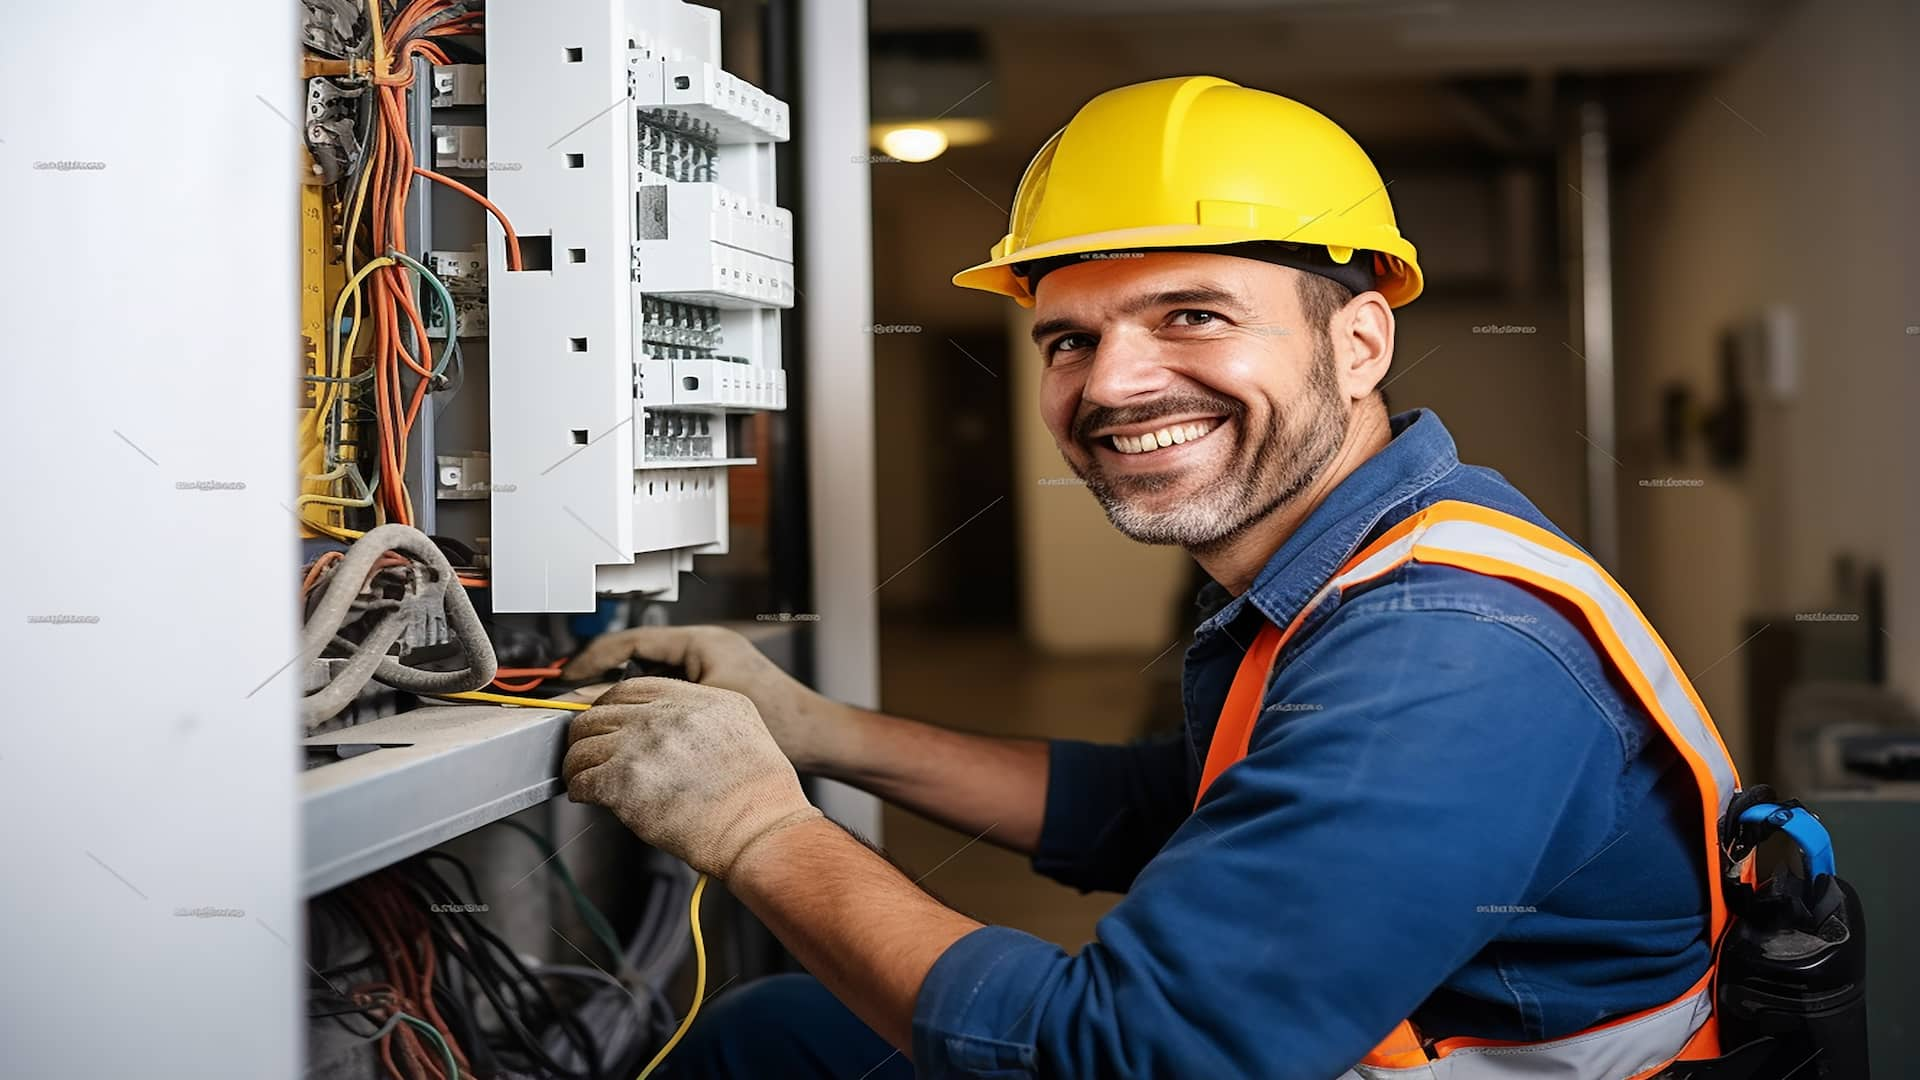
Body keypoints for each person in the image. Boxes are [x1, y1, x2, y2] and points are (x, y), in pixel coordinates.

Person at [559, 76, 1743, 1078]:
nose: (1113, 385)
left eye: (1190, 314)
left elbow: (1135, 1052)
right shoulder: (1383, 552)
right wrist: (817, 731)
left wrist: (757, 827)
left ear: (1359, 341)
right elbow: (1162, 806)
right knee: (784, 1033)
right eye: (1070, 337)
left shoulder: (1445, 652)